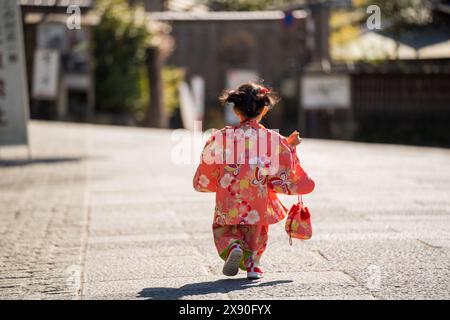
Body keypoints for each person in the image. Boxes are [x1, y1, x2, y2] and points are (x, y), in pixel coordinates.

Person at [193, 82, 315, 279]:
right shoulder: (271, 138)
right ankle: (253, 265)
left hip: (229, 195)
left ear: (236, 109)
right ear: (263, 109)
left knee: (224, 227)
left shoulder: (221, 137)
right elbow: (284, 157)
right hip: (258, 197)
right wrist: (291, 145)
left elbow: (209, 162)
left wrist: (208, 181)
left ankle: (232, 246)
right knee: (257, 231)